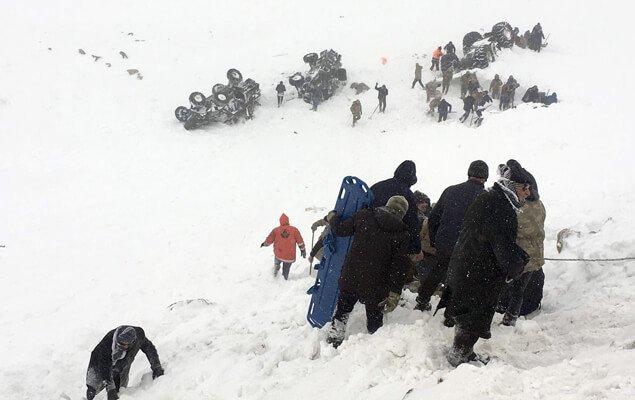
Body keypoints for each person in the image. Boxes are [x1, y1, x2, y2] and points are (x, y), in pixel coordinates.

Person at [439, 163, 532, 367]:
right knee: (473, 316)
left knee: (468, 314)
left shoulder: (490, 198)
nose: (527, 193)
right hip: (477, 273)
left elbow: (490, 238)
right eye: (524, 188)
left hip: (468, 266)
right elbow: (502, 245)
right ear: (511, 185)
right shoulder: (500, 207)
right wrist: (517, 264)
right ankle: (459, 355)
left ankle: (464, 351)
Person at [325, 196, 412, 348]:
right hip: (376, 285)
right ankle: (372, 348)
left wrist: (333, 217)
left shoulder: (364, 216)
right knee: (374, 319)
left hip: (351, 276)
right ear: (402, 213)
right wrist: (395, 293)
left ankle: (334, 339)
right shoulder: (402, 234)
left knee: (343, 310)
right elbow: (399, 267)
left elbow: (341, 229)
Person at [415, 161, 488, 311]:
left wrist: (436, 240)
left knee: (438, 270)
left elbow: (433, 218)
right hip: (469, 246)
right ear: (485, 177)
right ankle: (452, 309)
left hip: (446, 242)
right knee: (463, 278)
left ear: (469, 174)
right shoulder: (485, 197)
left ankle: (422, 299)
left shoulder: (451, 191)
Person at [497, 161, 546, 327]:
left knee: (513, 289)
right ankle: (526, 308)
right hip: (536, 259)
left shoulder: (517, 208)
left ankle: (509, 315)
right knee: (530, 285)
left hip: (519, 261)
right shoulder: (539, 205)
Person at [86, 325, 164, 400]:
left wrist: (156, 366)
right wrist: (110, 388)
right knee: (94, 386)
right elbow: (104, 366)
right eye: (120, 344)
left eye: (126, 345)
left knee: (120, 390)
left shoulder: (139, 336)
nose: (123, 346)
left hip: (123, 363)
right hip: (99, 361)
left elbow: (149, 348)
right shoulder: (106, 344)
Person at [370, 160, 422, 259]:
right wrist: (415, 247)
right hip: (389, 245)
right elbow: (412, 223)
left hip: (367, 237)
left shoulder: (377, 186)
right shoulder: (407, 195)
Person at [261, 213, 306, 280]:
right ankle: (284, 279)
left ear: (280, 221)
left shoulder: (276, 230)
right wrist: (303, 250)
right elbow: (300, 242)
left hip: (279, 254)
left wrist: (264, 244)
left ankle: (275, 276)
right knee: (286, 269)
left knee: (277, 265)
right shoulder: (294, 230)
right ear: (288, 221)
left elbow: (269, 239)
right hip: (289, 255)